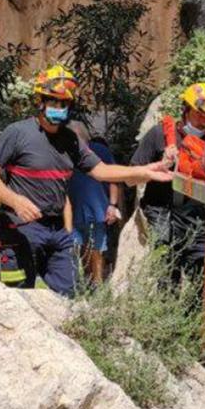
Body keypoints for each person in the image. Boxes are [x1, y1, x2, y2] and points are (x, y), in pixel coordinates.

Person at [0, 64, 172, 297]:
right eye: (52, 101)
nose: (58, 108)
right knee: (18, 295)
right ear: (39, 100)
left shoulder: (71, 140)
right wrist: (15, 201)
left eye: (63, 103)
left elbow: (101, 171)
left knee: (68, 294)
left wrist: (145, 171)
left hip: (57, 231)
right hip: (19, 228)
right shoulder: (17, 133)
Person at [129, 82, 205, 301]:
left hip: (196, 216)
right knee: (168, 278)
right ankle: (166, 328)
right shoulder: (159, 135)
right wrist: (161, 165)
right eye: (198, 115)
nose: (203, 121)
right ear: (186, 109)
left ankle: (191, 329)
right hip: (162, 212)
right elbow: (132, 176)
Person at [66, 120, 122, 285]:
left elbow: (114, 178)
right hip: (72, 211)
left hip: (97, 209)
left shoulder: (99, 150)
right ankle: (80, 284)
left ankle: (97, 285)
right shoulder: (64, 153)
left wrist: (112, 205)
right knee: (76, 248)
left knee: (97, 248)